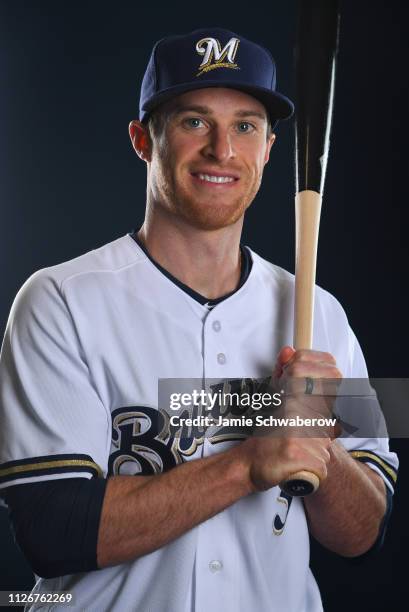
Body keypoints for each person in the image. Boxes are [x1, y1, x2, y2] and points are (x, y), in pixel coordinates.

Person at [0, 28, 398, 612]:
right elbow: (54, 531)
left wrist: (318, 445)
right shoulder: (59, 301)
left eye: (245, 125)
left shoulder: (323, 314)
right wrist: (248, 461)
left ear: (268, 148)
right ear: (143, 139)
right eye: (193, 121)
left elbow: (366, 533)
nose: (222, 150)